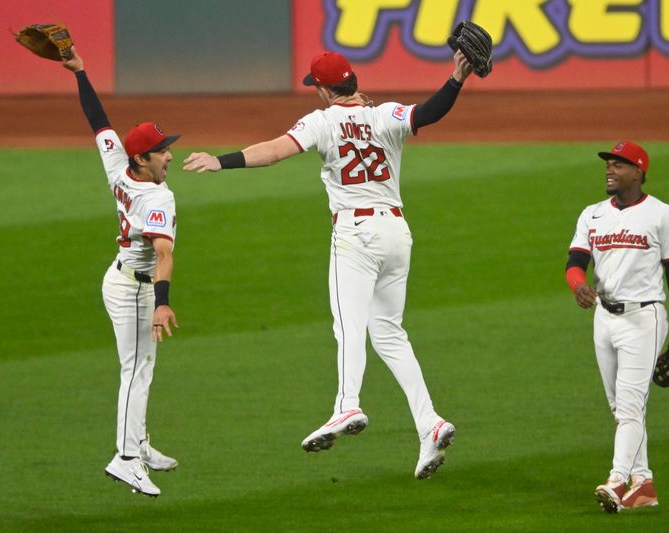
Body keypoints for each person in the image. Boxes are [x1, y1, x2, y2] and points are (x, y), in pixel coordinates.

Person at [183, 49, 477, 479]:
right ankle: (429, 423)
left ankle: (347, 406)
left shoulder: (321, 121)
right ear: (353, 80)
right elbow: (429, 112)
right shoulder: (386, 114)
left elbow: (274, 151)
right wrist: (457, 77)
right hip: (397, 233)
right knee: (389, 333)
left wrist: (221, 161)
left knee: (348, 327)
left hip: (356, 236)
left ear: (323, 89)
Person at [61, 47, 180, 497]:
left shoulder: (119, 164)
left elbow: (99, 122)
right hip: (135, 288)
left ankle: (140, 444)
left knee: (142, 367)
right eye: (161, 151)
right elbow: (164, 253)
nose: (168, 156)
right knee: (136, 370)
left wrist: (80, 73)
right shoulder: (157, 199)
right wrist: (163, 304)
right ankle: (127, 459)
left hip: (123, 278)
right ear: (141, 160)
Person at [565, 140, 669, 512]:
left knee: (629, 405)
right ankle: (644, 485)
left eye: (619, 164)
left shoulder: (662, 215)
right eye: (608, 163)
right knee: (621, 407)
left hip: (645, 318)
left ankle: (616, 479)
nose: (609, 169)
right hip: (603, 318)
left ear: (639, 172)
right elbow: (575, 262)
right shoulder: (592, 214)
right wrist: (579, 286)